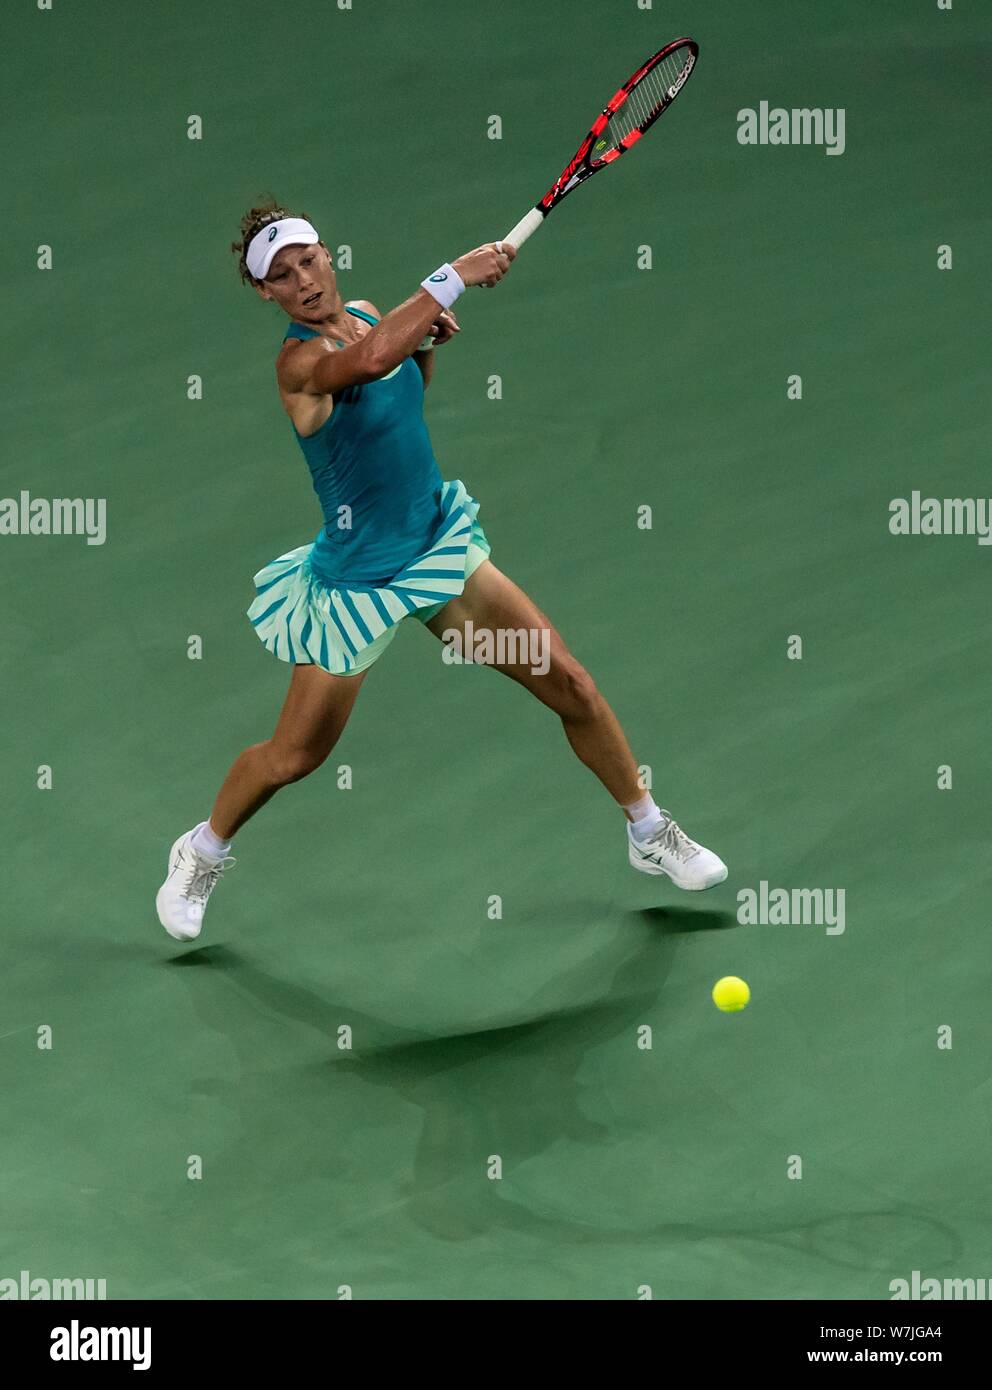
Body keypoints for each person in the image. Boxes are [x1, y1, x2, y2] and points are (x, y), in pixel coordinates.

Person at [156, 201, 727, 940]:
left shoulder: (368, 313)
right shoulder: (298, 366)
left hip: (438, 557)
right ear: (266, 294)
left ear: (329, 256)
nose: (302, 280)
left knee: (571, 683)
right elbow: (364, 366)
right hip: (358, 588)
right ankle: (201, 850)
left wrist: (426, 342)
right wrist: (450, 279)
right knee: (295, 755)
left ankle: (649, 832)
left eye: (307, 260)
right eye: (281, 275)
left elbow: (397, 390)